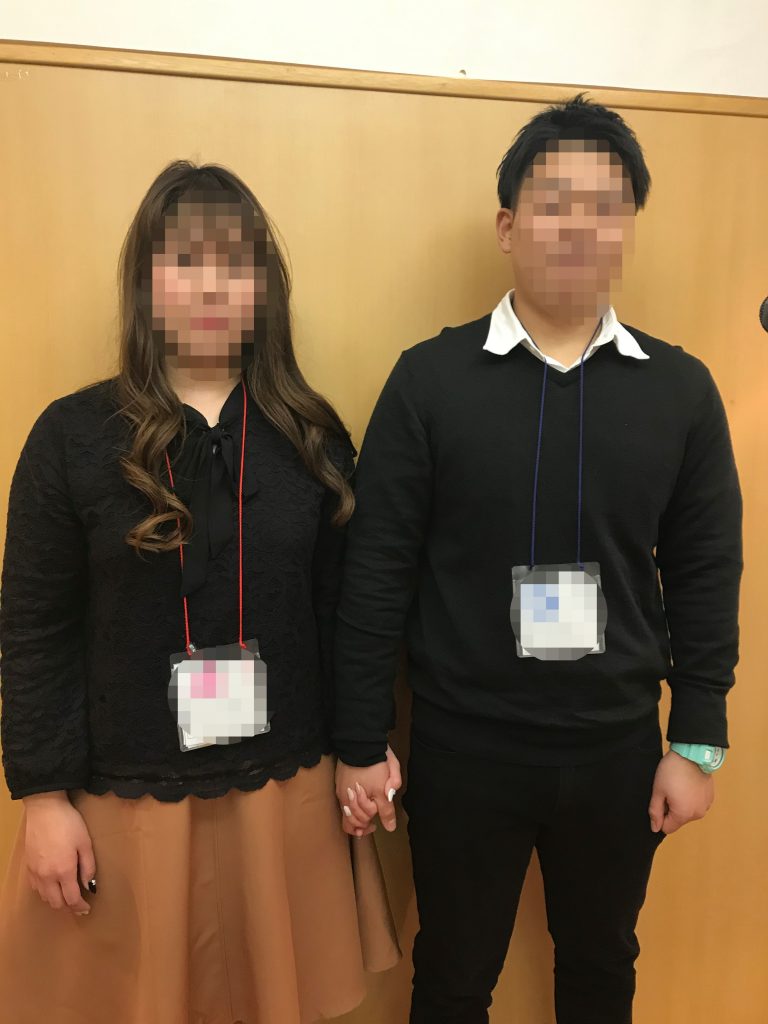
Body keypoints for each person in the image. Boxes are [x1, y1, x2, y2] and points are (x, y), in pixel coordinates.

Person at [333, 95, 742, 1024]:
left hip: (617, 750)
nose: (579, 226)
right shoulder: (429, 380)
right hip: (463, 745)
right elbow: (376, 571)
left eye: (605, 206)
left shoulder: (680, 391)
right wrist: (359, 740)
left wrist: (696, 742)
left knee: (602, 968)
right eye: (554, 203)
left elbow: (706, 570)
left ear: (628, 229)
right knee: (452, 976)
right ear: (508, 227)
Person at [0, 160, 399, 1024]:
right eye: (185, 260)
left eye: (235, 262)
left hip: (285, 788)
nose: (211, 285)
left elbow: (344, 613)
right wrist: (43, 796)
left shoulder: (312, 435)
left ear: (264, 287)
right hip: (126, 799)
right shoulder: (72, 436)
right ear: (147, 283)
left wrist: (362, 747)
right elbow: (33, 628)